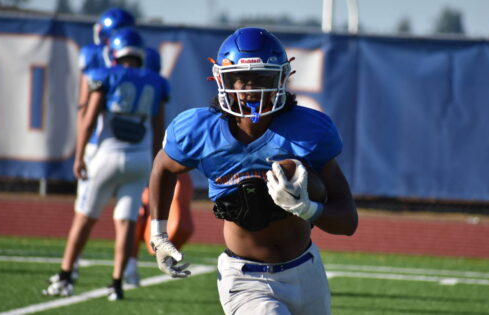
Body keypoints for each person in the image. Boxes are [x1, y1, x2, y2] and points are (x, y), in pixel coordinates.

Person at [148, 27, 358, 314]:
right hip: (246, 276)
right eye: (239, 79)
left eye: (261, 78)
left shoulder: (307, 131)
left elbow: (347, 221)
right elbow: (163, 165)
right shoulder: (201, 130)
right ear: (222, 79)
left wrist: (307, 208)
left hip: (306, 271)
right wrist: (158, 233)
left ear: (282, 79)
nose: (249, 90)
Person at [43, 28, 170, 301]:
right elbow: (160, 131)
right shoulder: (156, 81)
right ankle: (116, 283)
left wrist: (79, 156)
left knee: (84, 217)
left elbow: (88, 119)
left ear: (115, 53)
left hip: (106, 155)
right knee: (125, 223)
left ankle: (65, 277)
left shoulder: (105, 75)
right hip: (140, 159)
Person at [123, 45, 196, 287]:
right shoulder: (158, 85)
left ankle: (129, 267)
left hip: (138, 155)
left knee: (135, 213)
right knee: (135, 213)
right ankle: (128, 267)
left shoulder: (128, 82)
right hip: (150, 156)